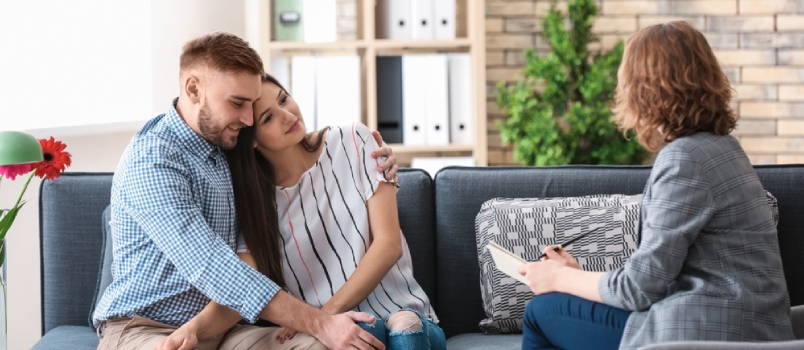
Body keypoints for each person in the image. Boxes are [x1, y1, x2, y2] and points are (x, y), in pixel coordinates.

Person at [92, 32, 400, 350]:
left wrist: (373, 158)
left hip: (225, 326)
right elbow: (212, 267)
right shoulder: (153, 160)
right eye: (238, 103)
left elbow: (298, 154)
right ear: (193, 89)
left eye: (253, 106)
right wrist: (323, 323)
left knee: (320, 347)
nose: (248, 119)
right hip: (145, 328)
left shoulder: (230, 146)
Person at [516, 21, 796, 350]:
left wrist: (558, 278)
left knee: (540, 311)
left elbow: (639, 289)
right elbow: (656, 274)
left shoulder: (684, 159)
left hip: (707, 334)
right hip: (740, 327)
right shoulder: (721, 148)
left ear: (642, 89)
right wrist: (577, 275)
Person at [156, 74, 447, 350]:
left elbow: (388, 245)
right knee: (362, 335)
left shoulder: (355, 141)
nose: (288, 115)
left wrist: (321, 317)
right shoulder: (256, 209)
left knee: (403, 326)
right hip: (336, 334)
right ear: (252, 138)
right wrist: (193, 329)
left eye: (284, 99)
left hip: (401, 313)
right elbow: (241, 286)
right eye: (268, 117)